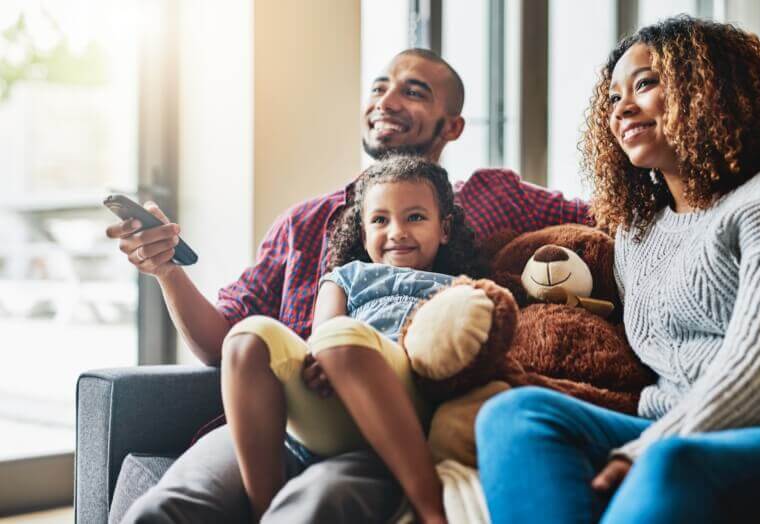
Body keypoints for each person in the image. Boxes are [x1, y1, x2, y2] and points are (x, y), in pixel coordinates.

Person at [110, 48, 591, 523]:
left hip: (390, 421)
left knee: (313, 507)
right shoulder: (304, 222)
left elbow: (603, 220)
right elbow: (221, 342)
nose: (386, 100)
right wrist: (168, 270)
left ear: (452, 126)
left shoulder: (492, 198)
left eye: (413, 91)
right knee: (160, 512)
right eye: (379, 87)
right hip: (279, 420)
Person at [476, 15, 760, 524]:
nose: (621, 109)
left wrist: (646, 448)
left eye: (645, 84)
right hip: (666, 423)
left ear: (708, 89)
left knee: (670, 461)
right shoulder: (637, 231)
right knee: (513, 415)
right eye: (611, 98)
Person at [223, 155, 486, 523]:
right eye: (380, 220)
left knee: (344, 343)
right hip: (329, 395)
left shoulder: (460, 287)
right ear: (364, 234)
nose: (396, 232)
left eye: (415, 217)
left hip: (406, 395)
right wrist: (317, 360)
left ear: (444, 229)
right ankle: (263, 509)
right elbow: (323, 334)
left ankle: (431, 509)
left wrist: (336, 348)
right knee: (245, 340)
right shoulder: (346, 277)